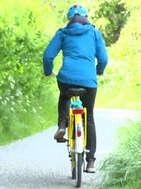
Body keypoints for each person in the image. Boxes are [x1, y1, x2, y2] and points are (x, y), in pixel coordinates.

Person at [43, 4, 108, 173]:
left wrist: (48, 72)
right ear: (86, 18)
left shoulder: (63, 33)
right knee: (89, 117)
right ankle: (91, 162)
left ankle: (63, 125)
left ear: (69, 19)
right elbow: (103, 58)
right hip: (89, 81)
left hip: (67, 78)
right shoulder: (94, 33)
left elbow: (48, 55)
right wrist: (99, 71)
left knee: (64, 96)